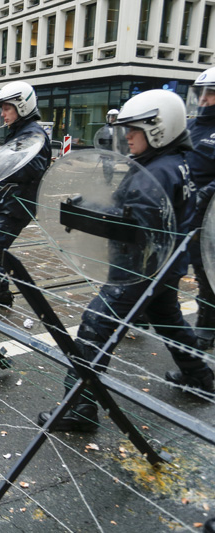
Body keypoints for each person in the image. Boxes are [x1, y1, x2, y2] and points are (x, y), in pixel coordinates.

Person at [36, 89, 214, 432]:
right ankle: (200, 377)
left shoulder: (158, 173)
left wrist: (86, 213)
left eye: (134, 130)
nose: (127, 136)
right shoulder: (174, 162)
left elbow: (135, 227)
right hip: (166, 268)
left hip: (138, 270)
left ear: (158, 129)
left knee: (95, 326)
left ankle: (79, 408)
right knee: (169, 320)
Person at [0, 81, 50, 318]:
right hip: (5, 200)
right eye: (2, 109)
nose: (3, 114)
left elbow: (32, 169)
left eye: (7, 108)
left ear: (22, 107)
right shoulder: (20, 132)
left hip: (18, 204)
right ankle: (2, 295)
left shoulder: (34, 135)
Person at [185, 66, 215, 350]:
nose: (204, 99)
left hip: (211, 216)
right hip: (185, 209)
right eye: (201, 93)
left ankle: (207, 324)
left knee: (206, 270)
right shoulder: (192, 126)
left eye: (210, 93)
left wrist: (209, 192)